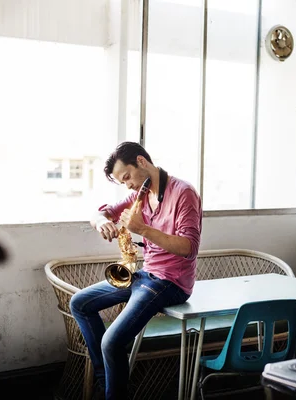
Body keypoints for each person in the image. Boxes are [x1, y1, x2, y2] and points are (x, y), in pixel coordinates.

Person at [70, 141, 202, 399]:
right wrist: (101, 222)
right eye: (122, 182)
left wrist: (142, 230)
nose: (127, 185)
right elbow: (103, 212)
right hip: (146, 275)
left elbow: (189, 247)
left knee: (112, 341)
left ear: (142, 161)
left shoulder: (183, 192)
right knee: (80, 303)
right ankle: (104, 382)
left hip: (171, 282)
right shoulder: (140, 192)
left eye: (127, 177)